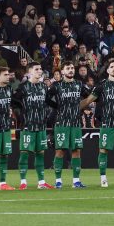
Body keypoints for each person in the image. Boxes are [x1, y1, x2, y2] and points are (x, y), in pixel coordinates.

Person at [83, 58, 114, 188]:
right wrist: (74, 108)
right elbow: (88, 100)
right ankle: (103, 179)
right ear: (107, 70)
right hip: (107, 123)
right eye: (112, 67)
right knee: (103, 150)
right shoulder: (101, 85)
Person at [48, 61, 88, 189]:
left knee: (76, 151)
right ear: (63, 71)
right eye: (68, 68)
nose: (71, 70)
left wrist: (82, 107)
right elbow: (46, 98)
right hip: (62, 123)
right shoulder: (56, 85)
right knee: (60, 151)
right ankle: (58, 181)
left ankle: (76, 181)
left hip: (75, 123)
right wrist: (57, 107)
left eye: (72, 68)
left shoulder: (79, 84)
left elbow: (90, 96)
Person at [12, 62, 52, 190]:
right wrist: (22, 115)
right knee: (24, 153)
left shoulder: (44, 87)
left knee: (40, 153)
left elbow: (47, 103)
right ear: (29, 72)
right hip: (28, 126)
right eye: (36, 69)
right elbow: (14, 102)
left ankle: (41, 182)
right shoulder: (23, 87)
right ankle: (23, 182)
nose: (40, 71)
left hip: (41, 126)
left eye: (40, 69)